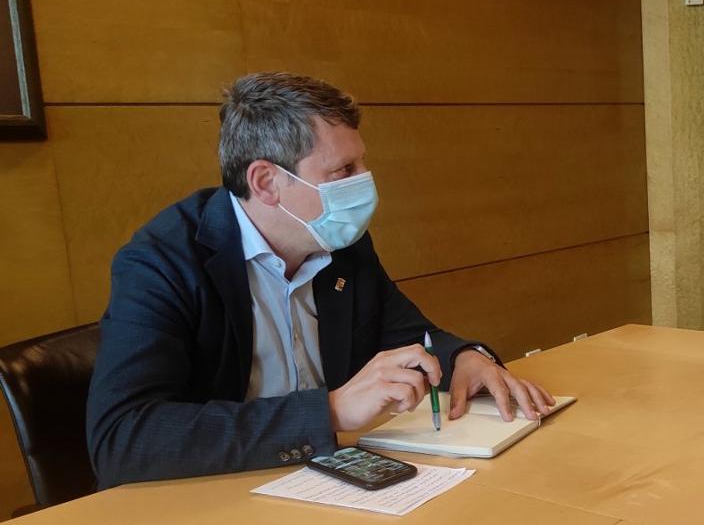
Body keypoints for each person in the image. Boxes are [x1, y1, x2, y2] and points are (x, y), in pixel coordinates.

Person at [87, 72, 555, 488]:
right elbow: (123, 439)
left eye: (362, 163)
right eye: (344, 171)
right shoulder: (162, 262)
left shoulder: (343, 244)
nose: (366, 182)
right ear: (267, 182)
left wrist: (464, 358)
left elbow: (410, 336)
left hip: (329, 484)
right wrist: (329, 412)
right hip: (217, 504)